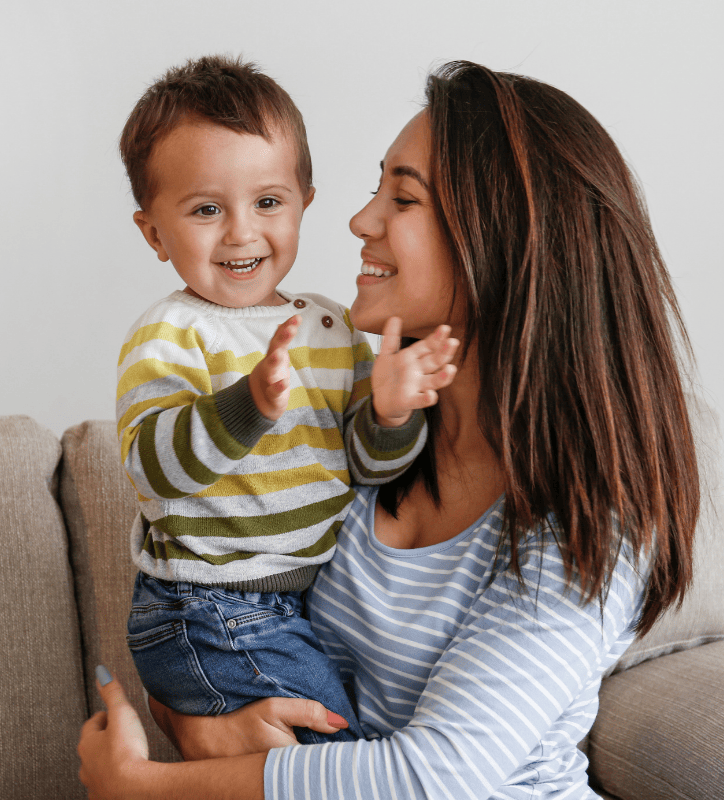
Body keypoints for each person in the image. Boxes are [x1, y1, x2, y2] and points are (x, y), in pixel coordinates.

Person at [79, 60, 699, 799]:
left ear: (499, 240)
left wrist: (139, 785)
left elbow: (434, 776)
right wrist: (191, 721)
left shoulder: (589, 521)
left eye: (402, 197)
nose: (359, 220)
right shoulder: (357, 432)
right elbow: (219, 625)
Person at [115, 55, 459, 745]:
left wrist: (390, 414)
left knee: (337, 747)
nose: (241, 232)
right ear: (154, 233)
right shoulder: (172, 332)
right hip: (207, 606)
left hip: (299, 603)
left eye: (268, 203)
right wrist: (246, 407)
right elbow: (152, 470)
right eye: (207, 209)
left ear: (305, 200)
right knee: (334, 752)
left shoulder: (333, 326)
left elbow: (366, 465)